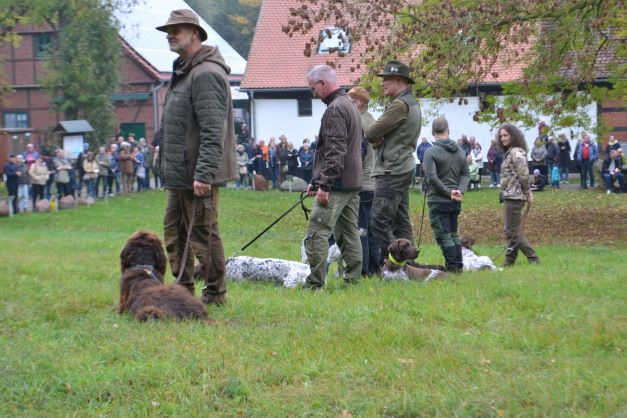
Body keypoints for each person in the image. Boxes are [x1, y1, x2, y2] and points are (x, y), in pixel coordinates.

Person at [156, 9, 236, 304]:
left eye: (175, 30)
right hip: (180, 175)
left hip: (197, 175)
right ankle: (182, 293)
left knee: (203, 235)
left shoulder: (206, 74)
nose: (169, 35)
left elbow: (214, 131)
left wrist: (203, 173)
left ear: (194, 33)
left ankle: (215, 294)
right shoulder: (185, 71)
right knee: (175, 234)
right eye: (168, 30)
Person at [303, 64, 363, 289]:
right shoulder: (349, 105)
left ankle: (315, 284)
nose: (313, 94)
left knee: (317, 231)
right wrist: (316, 181)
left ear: (323, 83)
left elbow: (335, 151)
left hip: (337, 184)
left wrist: (325, 185)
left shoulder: (336, 108)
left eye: (313, 89)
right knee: (349, 233)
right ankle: (353, 282)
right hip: (351, 182)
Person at [364, 60, 421, 270]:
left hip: (391, 170)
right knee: (401, 220)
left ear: (399, 80)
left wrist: (378, 139)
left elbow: (371, 132)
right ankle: (411, 267)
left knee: (379, 222)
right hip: (402, 167)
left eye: (387, 79)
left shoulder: (399, 105)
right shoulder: (412, 103)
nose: (383, 83)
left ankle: (388, 267)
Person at [423, 117, 469, 272]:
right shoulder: (461, 151)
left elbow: (432, 178)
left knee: (444, 236)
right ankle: (458, 266)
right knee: (453, 234)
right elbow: (466, 175)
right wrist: (459, 191)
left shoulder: (430, 152)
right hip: (455, 200)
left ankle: (452, 268)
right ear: (448, 131)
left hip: (438, 200)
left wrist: (448, 192)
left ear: (432, 132)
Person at [497, 123, 540, 266]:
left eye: (506, 135)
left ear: (513, 136)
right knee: (511, 232)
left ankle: (533, 258)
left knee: (513, 232)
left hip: (515, 197)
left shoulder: (516, 152)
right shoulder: (510, 152)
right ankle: (509, 262)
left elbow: (523, 175)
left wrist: (528, 194)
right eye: (501, 135)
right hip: (510, 195)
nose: (503, 138)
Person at [348, 85, 377, 275]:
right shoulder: (372, 121)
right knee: (372, 231)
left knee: (361, 231)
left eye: (350, 101)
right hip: (374, 183)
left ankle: (364, 271)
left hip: (362, 184)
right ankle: (375, 269)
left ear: (357, 102)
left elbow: (357, 155)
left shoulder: (357, 123)